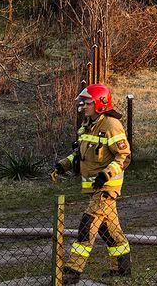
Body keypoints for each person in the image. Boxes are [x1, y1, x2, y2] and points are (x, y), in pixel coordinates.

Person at [52, 84, 133, 282]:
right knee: (109, 229)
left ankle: (73, 270)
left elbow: (124, 155)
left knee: (86, 225)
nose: (83, 106)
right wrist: (63, 166)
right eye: (83, 103)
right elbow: (80, 155)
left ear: (100, 104)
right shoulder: (87, 125)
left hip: (106, 188)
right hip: (95, 188)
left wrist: (106, 174)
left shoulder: (112, 125)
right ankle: (122, 267)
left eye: (87, 103)